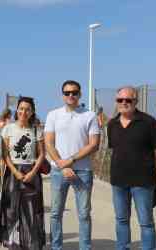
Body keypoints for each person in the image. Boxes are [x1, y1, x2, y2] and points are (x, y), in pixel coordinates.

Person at [107, 86, 156, 250]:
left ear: (136, 101)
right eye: (120, 100)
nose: (124, 103)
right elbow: (116, 149)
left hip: (143, 182)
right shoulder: (112, 124)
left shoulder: (149, 122)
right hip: (118, 181)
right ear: (116, 102)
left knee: (146, 222)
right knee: (121, 220)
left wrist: (150, 169)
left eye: (128, 100)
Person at [44, 80, 100, 250]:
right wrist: (64, 166)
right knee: (55, 213)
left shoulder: (89, 115)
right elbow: (49, 143)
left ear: (80, 94)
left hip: (83, 171)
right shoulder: (53, 115)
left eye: (74, 92)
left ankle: (85, 247)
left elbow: (93, 144)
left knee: (83, 214)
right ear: (62, 95)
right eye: (67, 93)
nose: (71, 96)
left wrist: (71, 160)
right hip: (58, 171)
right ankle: (56, 246)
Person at [0, 97, 47, 249]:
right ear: (16, 110)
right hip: (13, 173)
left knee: (32, 209)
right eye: (21, 109)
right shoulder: (8, 129)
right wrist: (14, 171)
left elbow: (41, 154)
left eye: (27, 109)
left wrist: (33, 172)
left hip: (31, 172)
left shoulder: (37, 130)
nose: (24, 112)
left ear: (32, 112)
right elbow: (5, 155)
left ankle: (31, 242)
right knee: (11, 208)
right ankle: (13, 241)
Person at [0, 108, 13, 199]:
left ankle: (0, 180)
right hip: (5, 144)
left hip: (0, 143)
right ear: (8, 115)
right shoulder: (9, 123)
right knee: (4, 162)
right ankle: (2, 179)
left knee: (1, 162)